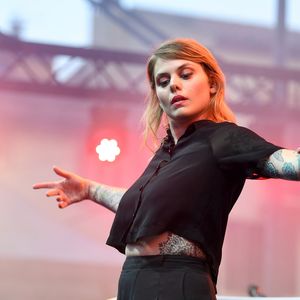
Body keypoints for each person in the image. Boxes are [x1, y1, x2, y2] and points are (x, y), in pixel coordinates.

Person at [33, 38, 300, 300]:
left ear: (212, 85)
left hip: (176, 279)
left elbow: (286, 162)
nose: (173, 84)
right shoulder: (164, 154)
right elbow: (143, 207)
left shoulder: (224, 138)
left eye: (185, 74)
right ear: (157, 96)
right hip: (133, 277)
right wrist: (90, 189)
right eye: (163, 81)